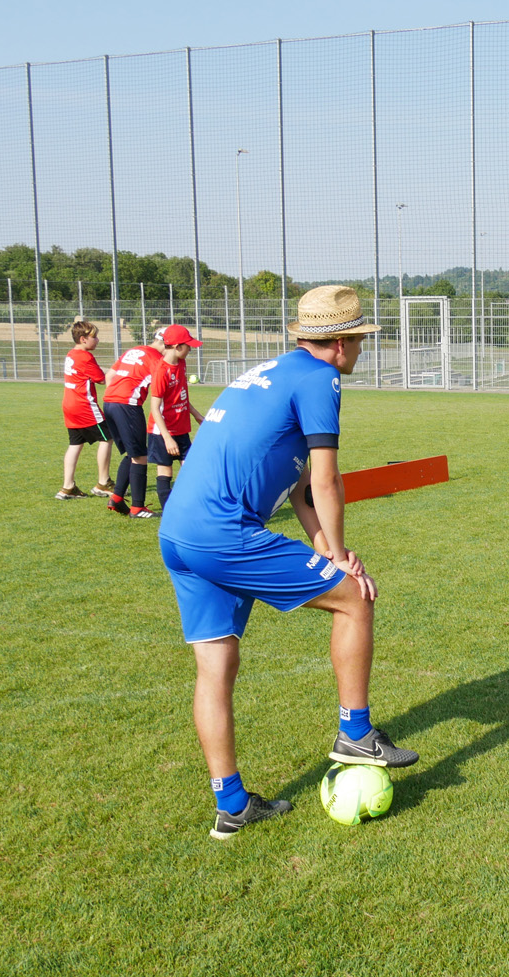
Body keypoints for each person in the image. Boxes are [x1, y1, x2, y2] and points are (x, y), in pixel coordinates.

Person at [158, 285, 417, 840]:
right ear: (341, 343)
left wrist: (326, 546)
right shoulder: (321, 378)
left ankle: (231, 804)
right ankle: (356, 733)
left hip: (178, 533)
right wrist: (343, 561)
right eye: (361, 340)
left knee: (216, 667)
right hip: (224, 533)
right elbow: (325, 479)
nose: (362, 350)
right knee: (355, 598)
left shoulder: (272, 372)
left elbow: (299, 490)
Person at [146, 324, 206, 511]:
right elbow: (155, 408)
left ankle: (190, 506)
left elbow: (181, 396)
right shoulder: (161, 371)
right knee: (165, 471)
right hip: (162, 432)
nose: (190, 350)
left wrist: (197, 416)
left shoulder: (181, 364)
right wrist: (167, 438)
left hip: (181, 429)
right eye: (188, 346)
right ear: (178, 347)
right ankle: (169, 513)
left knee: (191, 470)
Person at [103, 334, 161, 518]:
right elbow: (161, 388)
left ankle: (117, 498)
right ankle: (138, 508)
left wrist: (115, 396)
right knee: (140, 456)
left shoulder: (134, 350)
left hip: (109, 402)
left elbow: (109, 375)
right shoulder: (156, 358)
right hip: (127, 404)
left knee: (133, 453)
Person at [57, 321, 114, 500]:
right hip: (84, 406)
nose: (97, 340)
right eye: (94, 337)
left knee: (75, 444)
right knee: (107, 438)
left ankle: (68, 487)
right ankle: (103, 483)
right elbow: (102, 379)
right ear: (83, 339)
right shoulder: (85, 357)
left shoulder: (71, 354)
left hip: (69, 405)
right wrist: (120, 371)